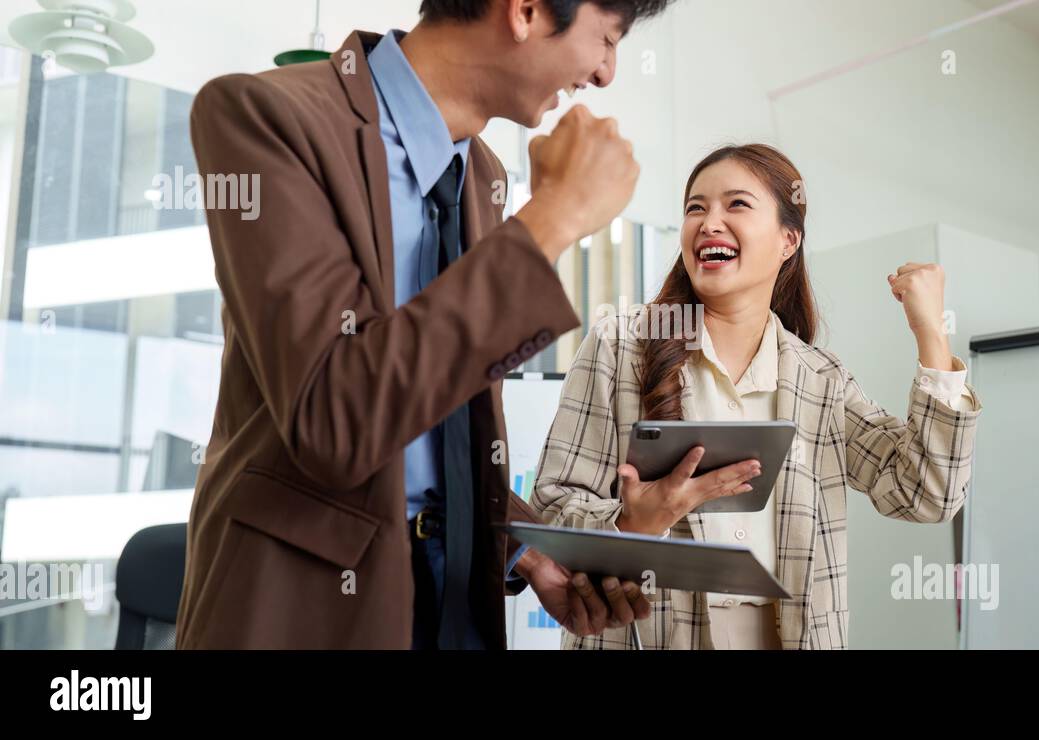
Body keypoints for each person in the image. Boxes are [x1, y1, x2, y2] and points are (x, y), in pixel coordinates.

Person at [175, 0, 673, 649]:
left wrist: (522, 550)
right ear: (524, 10)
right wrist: (555, 215)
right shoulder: (264, 117)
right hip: (308, 605)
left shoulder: (485, 175)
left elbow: (435, 426)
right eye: (606, 39)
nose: (606, 73)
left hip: (458, 592)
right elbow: (335, 418)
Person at [529, 144, 982, 649]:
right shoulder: (620, 345)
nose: (708, 222)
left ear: (788, 240)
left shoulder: (820, 380)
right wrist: (634, 520)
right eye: (695, 208)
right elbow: (552, 510)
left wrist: (931, 335)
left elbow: (927, 494)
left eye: (736, 205)